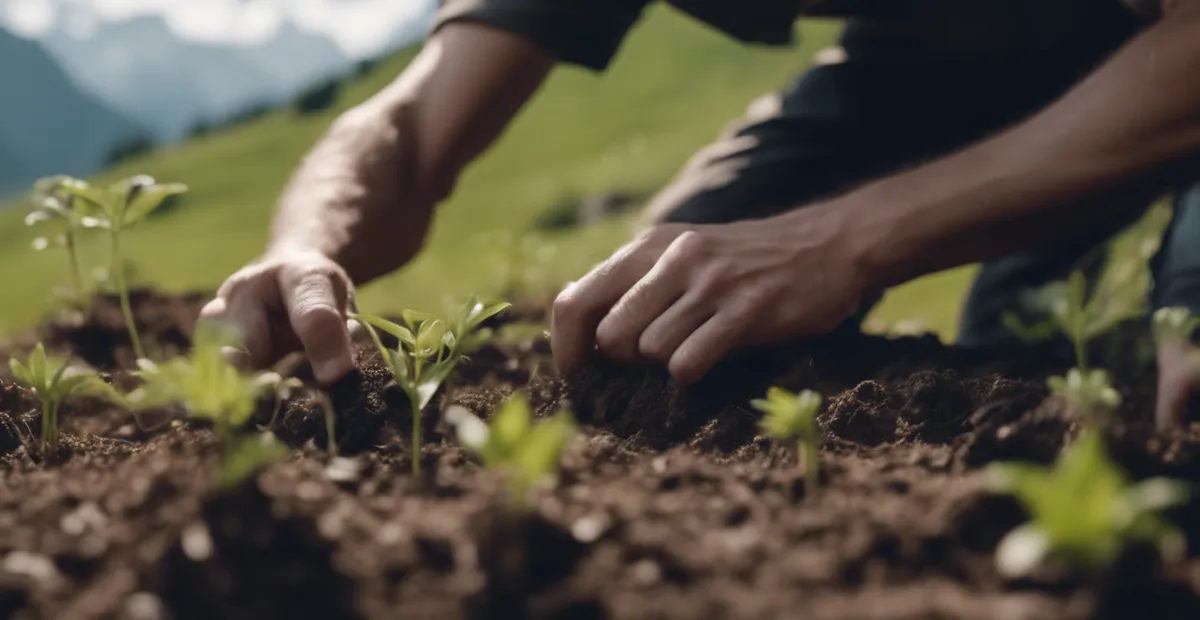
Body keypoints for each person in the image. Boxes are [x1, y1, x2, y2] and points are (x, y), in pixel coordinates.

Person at [199, 0, 1200, 429]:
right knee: (661, 329)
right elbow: (415, 130)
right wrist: (303, 246)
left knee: (1186, 361)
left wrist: (838, 241)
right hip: (950, 56)